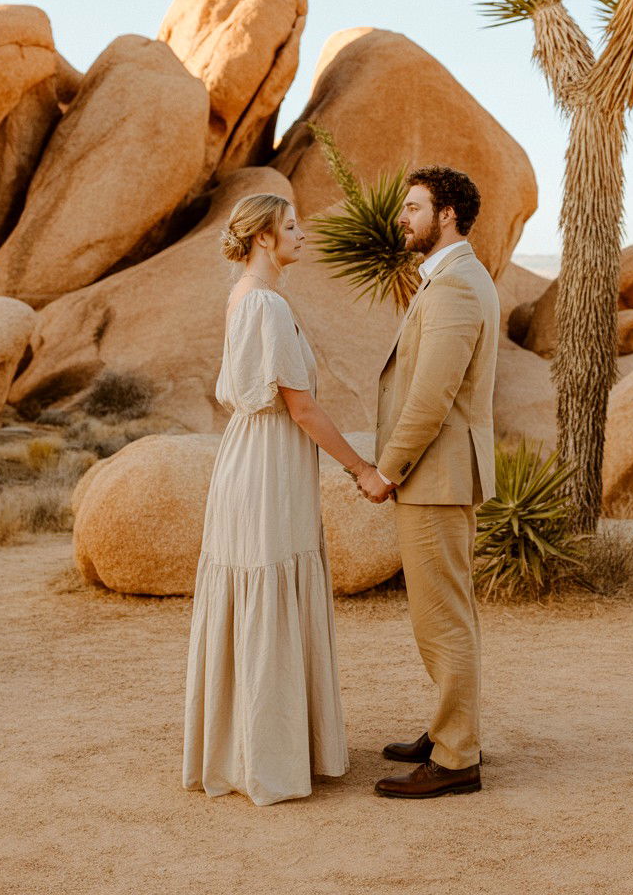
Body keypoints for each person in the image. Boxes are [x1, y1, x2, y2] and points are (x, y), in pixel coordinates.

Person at [182, 193, 382, 806]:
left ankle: (250, 748)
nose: (302, 235)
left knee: (255, 590)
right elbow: (301, 407)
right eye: (291, 226)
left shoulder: (244, 295)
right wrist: (361, 468)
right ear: (264, 238)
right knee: (268, 586)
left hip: (250, 459)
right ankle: (269, 758)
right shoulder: (264, 303)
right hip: (267, 465)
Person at [356, 165, 499, 799]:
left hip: (434, 477)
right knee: (446, 612)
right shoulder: (450, 279)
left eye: (414, 207)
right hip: (438, 477)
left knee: (440, 618)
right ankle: (448, 732)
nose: (403, 218)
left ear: (446, 215)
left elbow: (432, 396)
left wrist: (387, 470)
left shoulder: (455, 288)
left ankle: (455, 757)